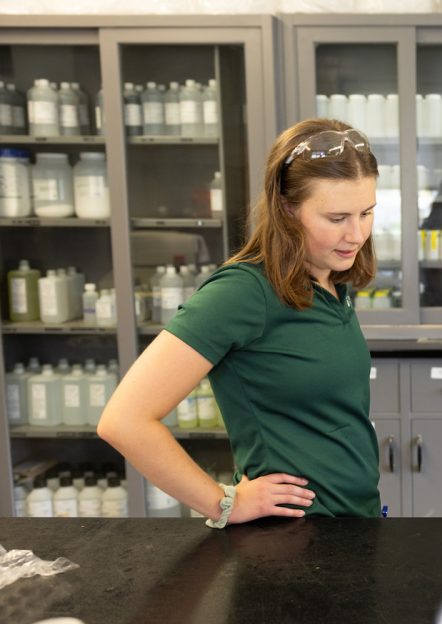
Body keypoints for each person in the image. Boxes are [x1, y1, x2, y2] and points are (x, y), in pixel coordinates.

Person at [98, 118, 381, 526]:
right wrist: (223, 502)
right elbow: (124, 420)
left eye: (367, 213)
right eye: (337, 218)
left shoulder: (329, 280)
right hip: (291, 541)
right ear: (287, 209)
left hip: (352, 526)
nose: (356, 234)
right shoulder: (245, 291)